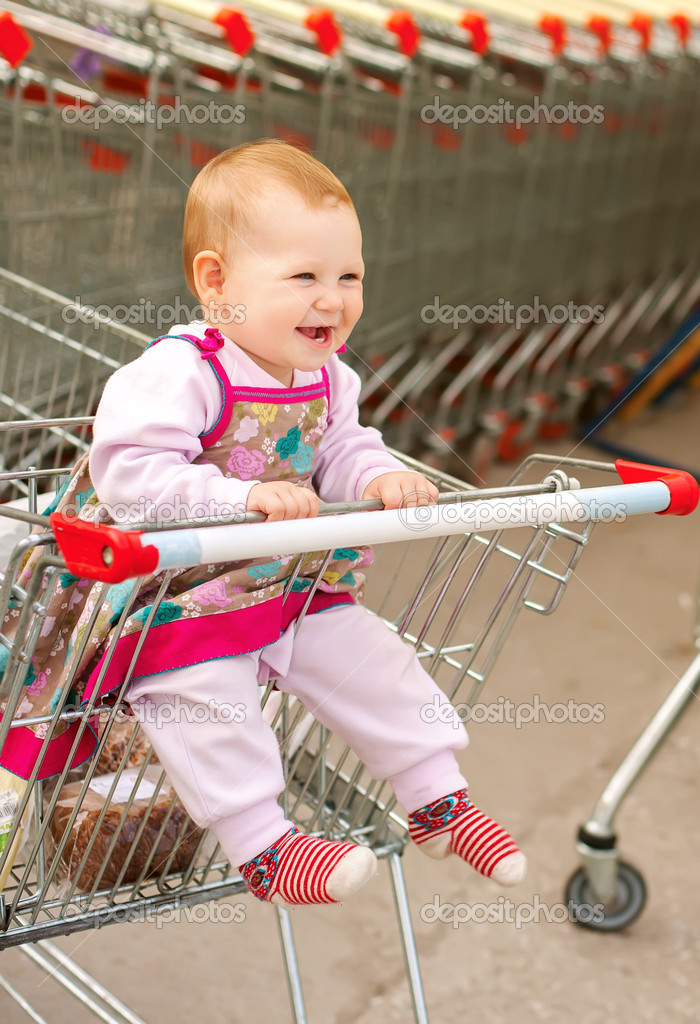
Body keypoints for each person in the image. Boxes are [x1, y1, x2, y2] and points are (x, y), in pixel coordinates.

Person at [0, 139, 525, 906]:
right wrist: (235, 497)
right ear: (217, 284)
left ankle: (436, 796)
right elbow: (130, 476)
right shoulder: (184, 372)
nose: (334, 297)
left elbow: (341, 443)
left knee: (370, 656)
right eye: (305, 276)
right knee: (202, 685)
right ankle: (264, 846)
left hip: (272, 572)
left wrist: (376, 475)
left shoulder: (326, 375)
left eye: (350, 277)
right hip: (159, 588)